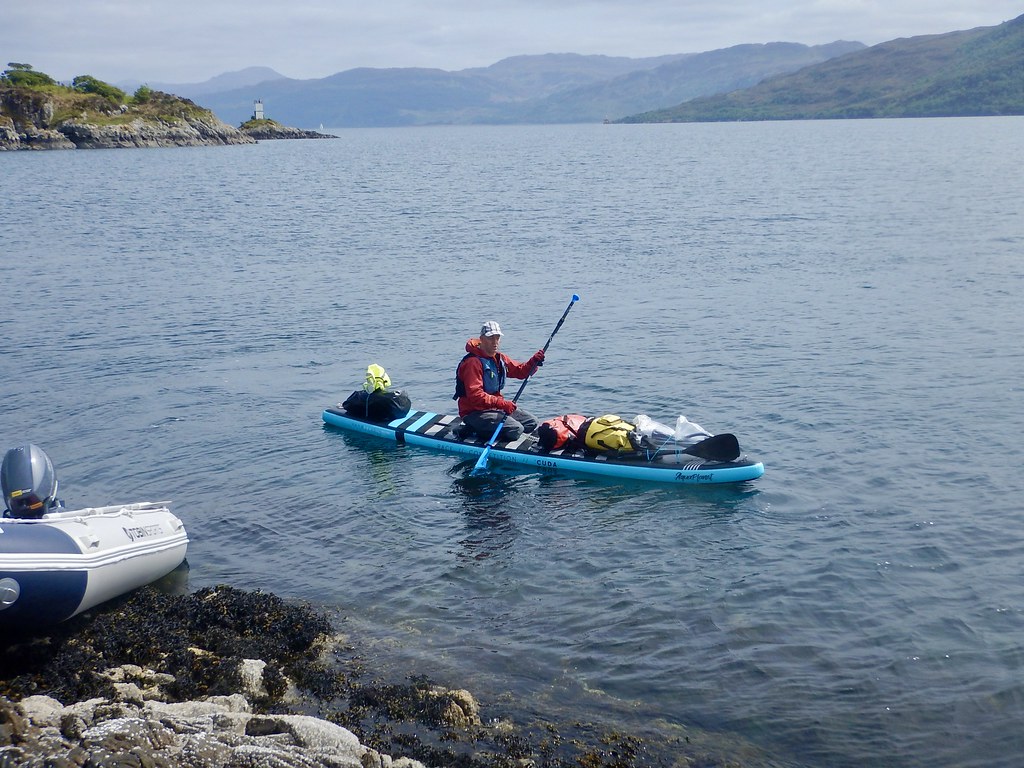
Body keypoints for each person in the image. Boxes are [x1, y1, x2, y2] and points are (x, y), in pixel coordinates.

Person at [454, 320, 545, 441]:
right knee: (516, 429)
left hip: (494, 409)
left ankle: (493, 429)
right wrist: (502, 404)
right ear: (482, 339)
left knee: (532, 422)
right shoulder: (472, 363)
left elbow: (520, 371)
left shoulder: (499, 358)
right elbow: (475, 396)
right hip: (474, 412)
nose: (495, 342)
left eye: (497, 338)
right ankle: (472, 429)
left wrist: (533, 362)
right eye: (491, 338)